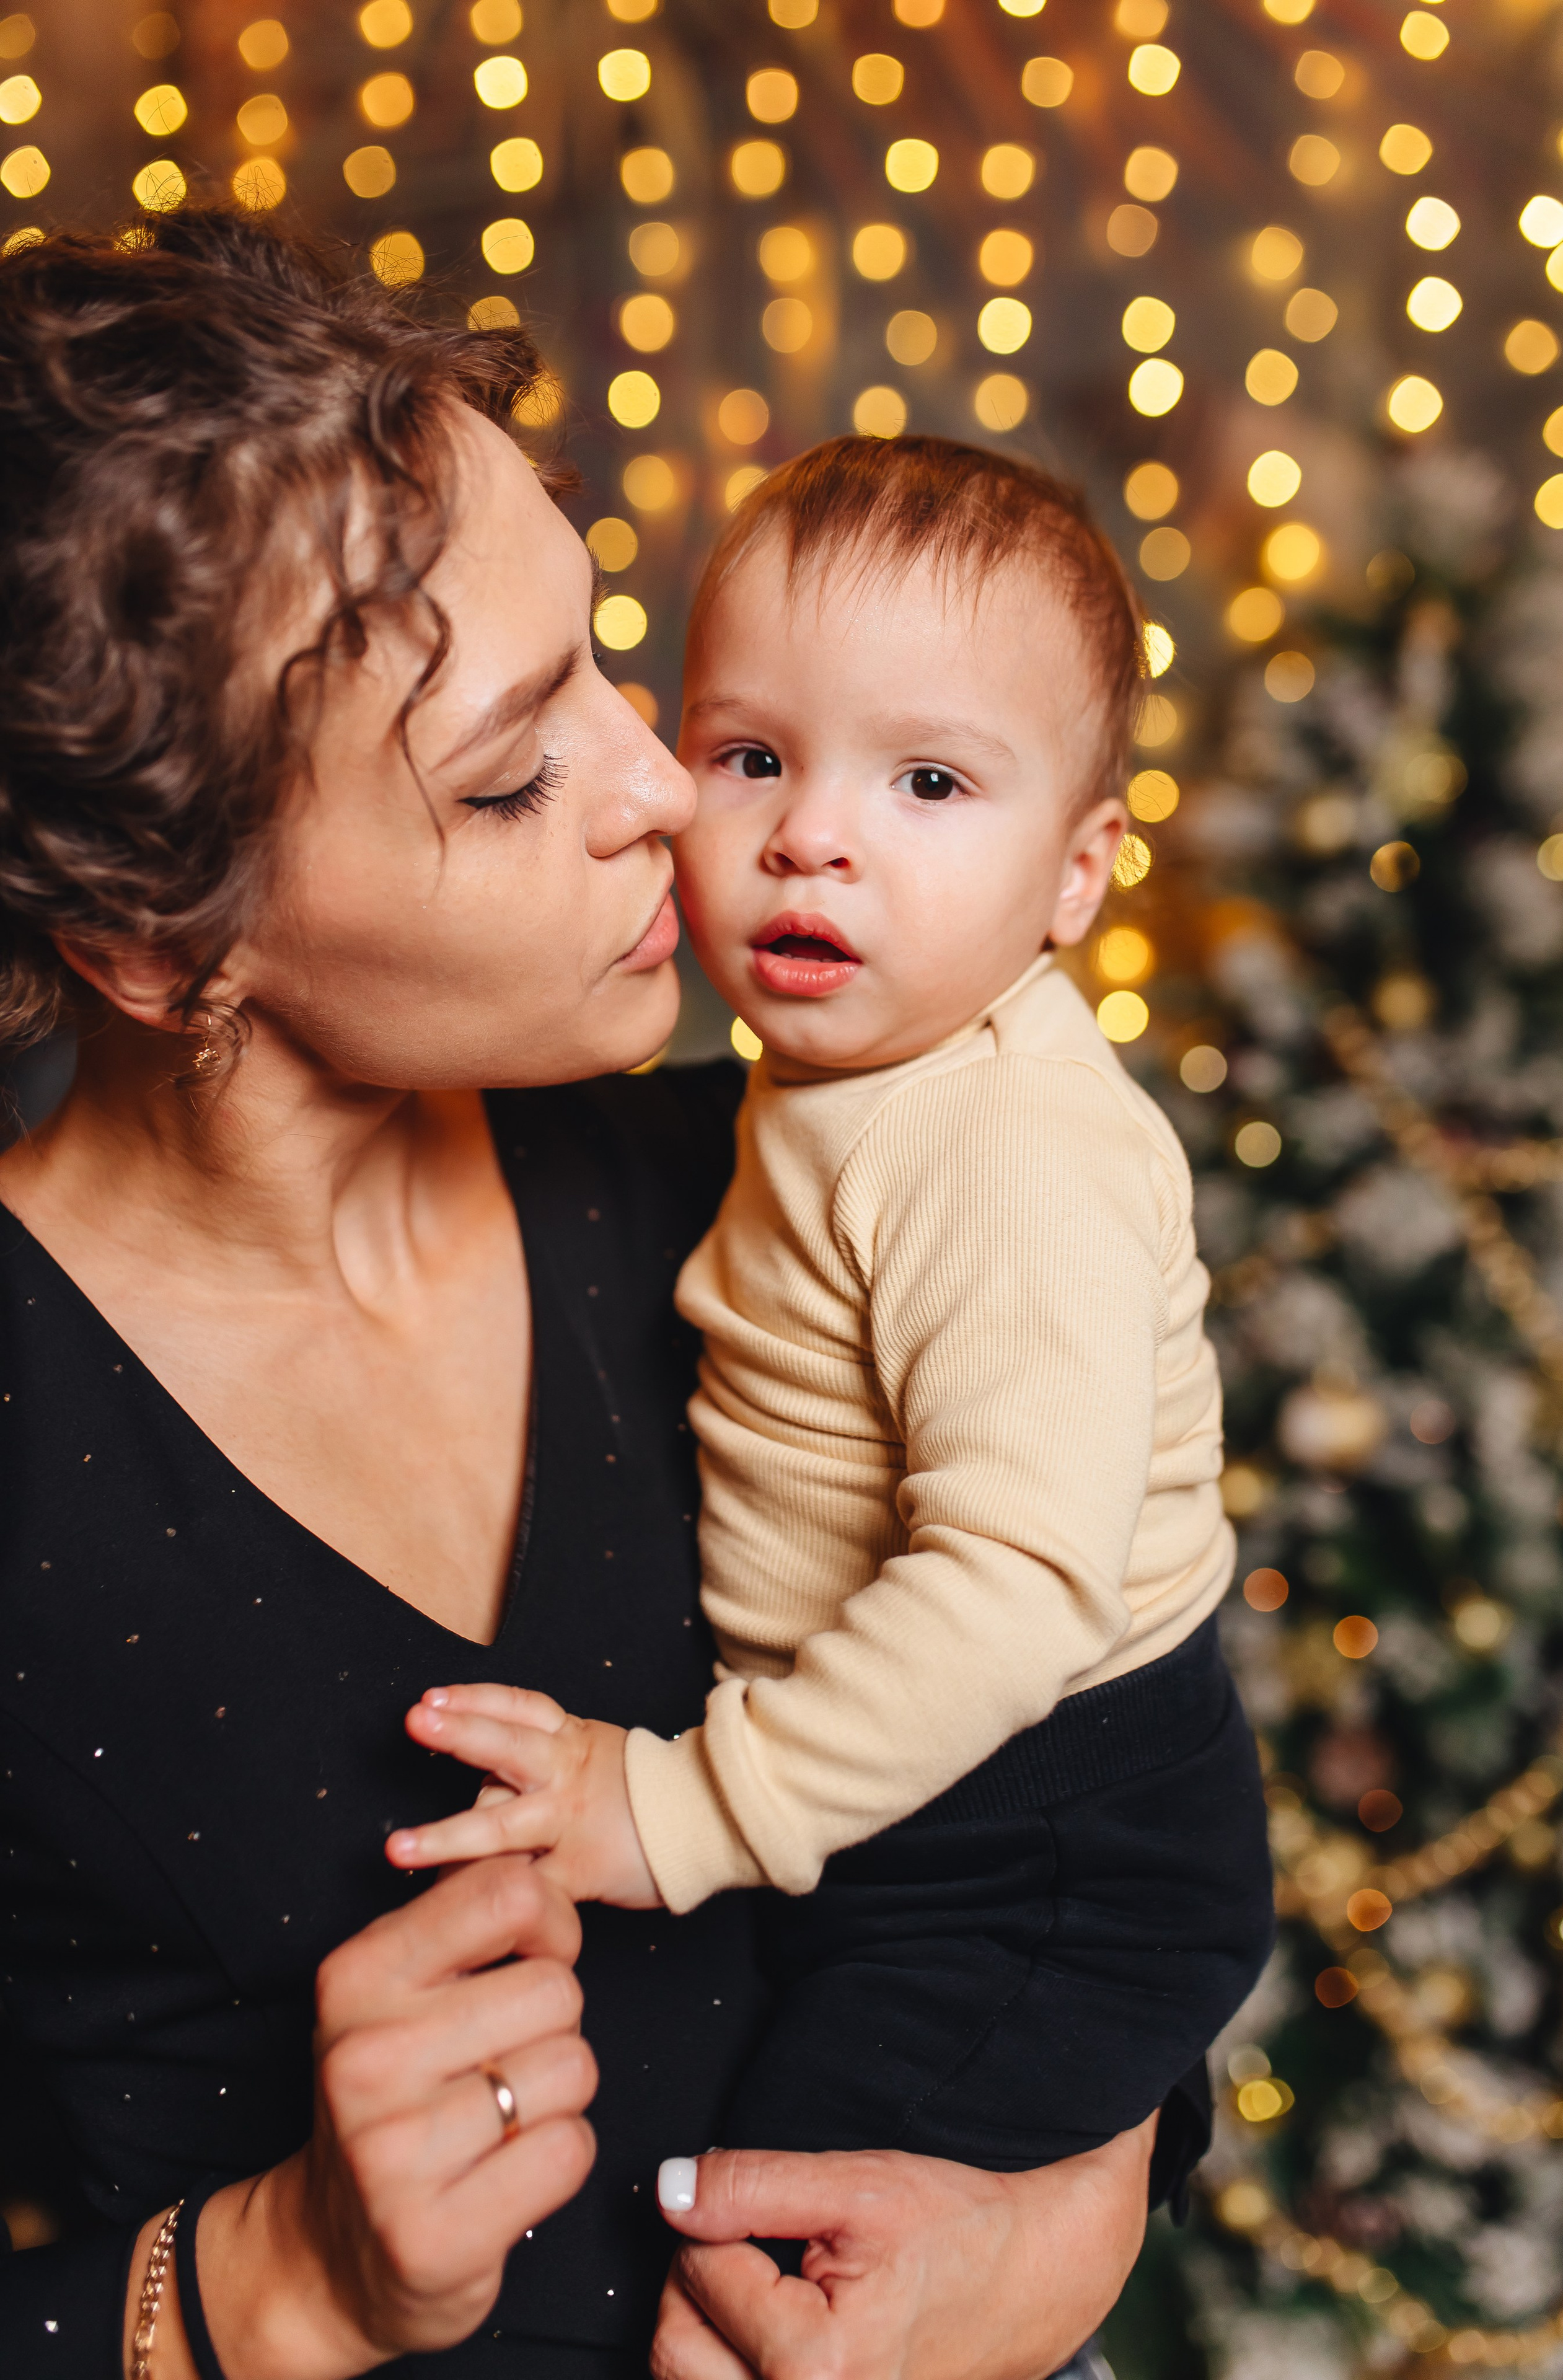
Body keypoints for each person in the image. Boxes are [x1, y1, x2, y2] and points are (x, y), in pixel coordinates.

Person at [0, 206, 1169, 2379]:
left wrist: (1051, 2238)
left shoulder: (763, 1171)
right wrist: (270, 2286)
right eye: (516, 768)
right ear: (168, 947)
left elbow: (1082, 1821)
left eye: (612, 664)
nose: (667, 788)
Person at [384, 438, 1274, 2183]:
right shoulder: (814, 1085)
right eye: (752, 757)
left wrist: (683, 1809)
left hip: (1049, 1828)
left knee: (789, 2240)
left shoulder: (1008, 1142)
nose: (810, 838)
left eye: (929, 784)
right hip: (916, 1778)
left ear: (1079, 874)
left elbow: (1017, 1591)